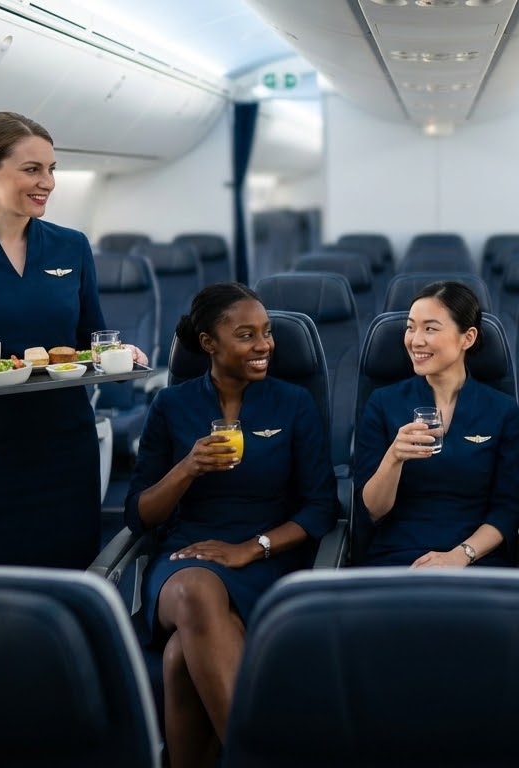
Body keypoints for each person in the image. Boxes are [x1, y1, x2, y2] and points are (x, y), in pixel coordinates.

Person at [0, 111, 147, 567]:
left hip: (65, 445)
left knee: (70, 583)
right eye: (32, 169)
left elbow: (92, 338)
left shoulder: (70, 246)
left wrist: (119, 354)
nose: (48, 182)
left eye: (52, 168)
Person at [126, 283, 335, 766]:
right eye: (246, 335)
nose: (264, 345)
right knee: (198, 590)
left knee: (182, 657)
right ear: (209, 345)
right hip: (186, 557)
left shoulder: (293, 403)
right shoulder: (172, 406)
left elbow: (319, 508)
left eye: (267, 333)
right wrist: (187, 468)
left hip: (268, 557)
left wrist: (250, 548)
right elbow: (140, 513)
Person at [352, 281, 519, 567]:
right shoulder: (383, 403)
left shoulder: (501, 410)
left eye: (430, 328)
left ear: (467, 338)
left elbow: (507, 510)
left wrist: (460, 555)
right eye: (410, 327)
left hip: (475, 557)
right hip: (398, 555)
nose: (415, 340)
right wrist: (394, 458)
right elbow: (372, 511)